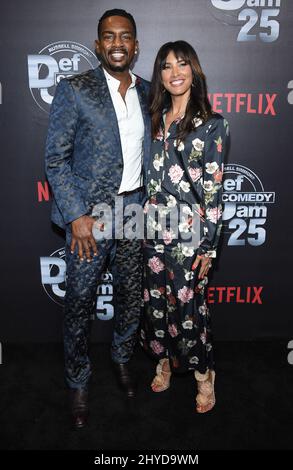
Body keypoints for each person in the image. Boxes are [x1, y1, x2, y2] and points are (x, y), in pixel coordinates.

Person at [45, 9, 150, 428]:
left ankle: (123, 358)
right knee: (79, 302)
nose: (118, 43)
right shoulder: (76, 89)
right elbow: (56, 159)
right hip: (91, 217)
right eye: (109, 36)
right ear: (97, 44)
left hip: (135, 210)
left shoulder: (147, 92)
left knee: (130, 293)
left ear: (136, 45)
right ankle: (78, 380)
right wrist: (76, 217)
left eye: (125, 36)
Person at [140, 41, 229, 413]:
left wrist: (209, 247)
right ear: (159, 74)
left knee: (189, 310)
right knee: (155, 306)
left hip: (190, 237)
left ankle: (203, 375)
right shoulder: (153, 118)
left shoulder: (212, 124)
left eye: (182, 64)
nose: (175, 73)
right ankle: (162, 360)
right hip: (150, 232)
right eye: (166, 66)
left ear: (194, 71)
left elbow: (213, 188)